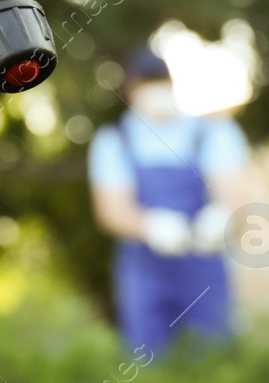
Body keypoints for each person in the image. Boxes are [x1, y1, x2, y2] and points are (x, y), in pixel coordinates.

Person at [88, 46, 250, 356]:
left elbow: (233, 194)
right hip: (144, 276)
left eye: (160, 82)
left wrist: (222, 217)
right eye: (147, 84)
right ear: (132, 90)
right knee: (148, 369)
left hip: (205, 271)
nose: (156, 91)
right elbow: (111, 210)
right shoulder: (115, 140)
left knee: (214, 365)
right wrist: (150, 226)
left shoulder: (212, 133)